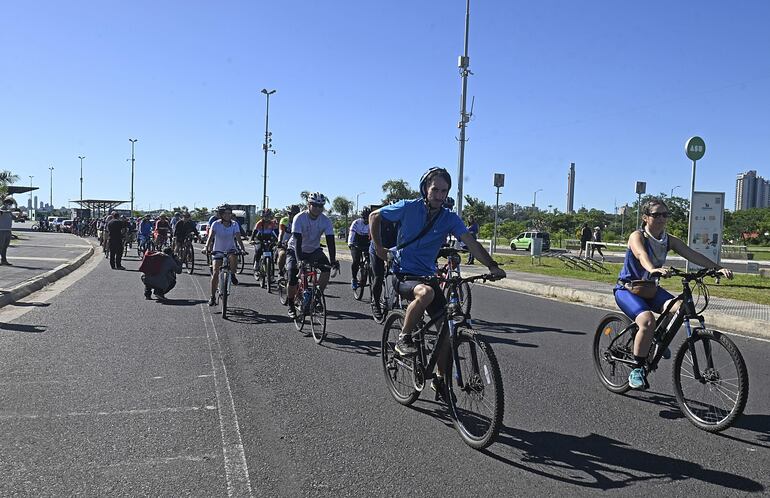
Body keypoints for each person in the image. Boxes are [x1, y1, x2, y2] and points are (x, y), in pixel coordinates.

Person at [370, 167, 506, 395]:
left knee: (446, 331)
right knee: (426, 294)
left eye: (444, 191)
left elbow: (470, 242)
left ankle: (441, 379)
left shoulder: (449, 218)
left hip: (427, 275)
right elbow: (375, 216)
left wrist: (491, 265)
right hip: (403, 274)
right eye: (435, 190)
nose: (440, 195)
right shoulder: (408, 207)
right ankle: (403, 338)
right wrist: (379, 248)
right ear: (425, 189)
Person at [614, 197, 733, 390]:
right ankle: (636, 369)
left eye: (665, 214)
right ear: (645, 217)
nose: (661, 218)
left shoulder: (667, 239)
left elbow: (691, 254)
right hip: (628, 288)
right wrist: (653, 269)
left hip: (651, 289)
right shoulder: (637, 236)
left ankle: (655, 339)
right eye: (656, 214)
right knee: (647, 321)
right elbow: (640, 255)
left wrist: (717, 268)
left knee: (679, 309)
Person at [284, 192, 338, 319]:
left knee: (326, 268)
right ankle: (291, 305)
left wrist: (333, 260)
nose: (318, 208)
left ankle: (317, 297)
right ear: (308, 205)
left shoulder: (326, 220)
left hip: (314, 250)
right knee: (292, 275)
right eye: (315, 205)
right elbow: (297, 241)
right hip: (296, 249)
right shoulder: (299, 217)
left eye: (321, 206)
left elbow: (331, 241)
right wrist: (299, 261)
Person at [203, 204, 246, 306]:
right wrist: (206, 247)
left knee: (234, 258)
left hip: (230, 249)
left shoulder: (235, 224)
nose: (228, 215)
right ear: (221, 214)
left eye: (229, 213)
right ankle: (212, 297)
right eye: (225, 213)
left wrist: (243, 249)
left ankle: (232, 273)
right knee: (215, 273)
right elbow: (211, 237)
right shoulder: (216, 224)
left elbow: (238, 237)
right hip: (218, 250)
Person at [369, 206, 398, 321]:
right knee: (379, 276)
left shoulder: (401, 222)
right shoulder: (380, 221)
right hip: (376, 249)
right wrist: (383, 255)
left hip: (392, 250)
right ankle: (375, 303)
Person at [348, 206, 371, 289]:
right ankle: (354, 279)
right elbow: (351, 234)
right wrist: (350, 244)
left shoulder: (372, 223)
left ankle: (367, 275)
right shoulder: (356, 223)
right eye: (365, 218)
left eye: (368, 218)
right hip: (356, 243)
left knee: (371, 261)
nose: (366, 220)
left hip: (366, 243)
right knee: (356, 261)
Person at [277, 206, 300, 277]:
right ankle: (280, 272)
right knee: (282, 255)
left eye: (294, 214)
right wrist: (279, 241)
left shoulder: (300, 221)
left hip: (296, 244)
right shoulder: (284, 220)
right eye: (290, 213)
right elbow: (281, 232)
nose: (292, 216)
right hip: (284, 243)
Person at [0, 198, 16, 265]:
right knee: (0, 246)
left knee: (5, 246)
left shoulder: (9, 211)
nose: (10, 205)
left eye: (11, 204)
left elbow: (15, 218)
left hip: (8, 230)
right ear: (5, 203)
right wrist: (8, 211)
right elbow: (2, 212)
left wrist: (20, 214)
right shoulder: (1, 209)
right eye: (9, 204)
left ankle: (4, 260)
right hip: (1, 231)